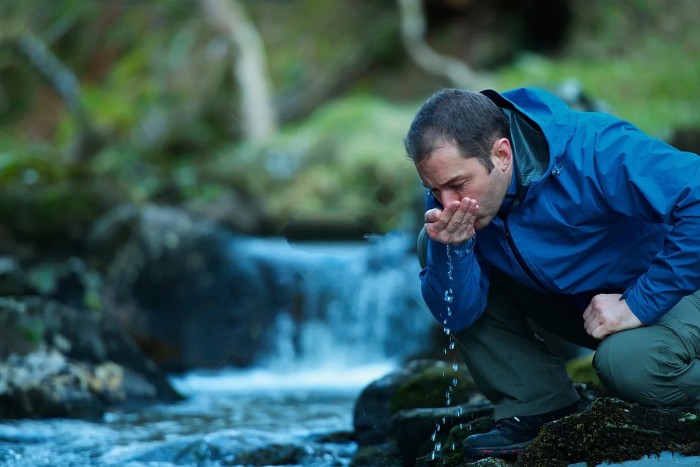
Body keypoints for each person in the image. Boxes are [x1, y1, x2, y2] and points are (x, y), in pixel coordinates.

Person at [404, 87, 700, 460]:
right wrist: (455, 249)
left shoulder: (595, 149)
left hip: (679, 287)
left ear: (502, 154)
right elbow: (458, 314)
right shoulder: (455, 201)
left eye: (458, 185)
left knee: (626, 365)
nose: (447, 203)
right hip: (590, 307)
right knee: (432, 242)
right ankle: (539, 403)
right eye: (433, 188)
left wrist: (638, 304)